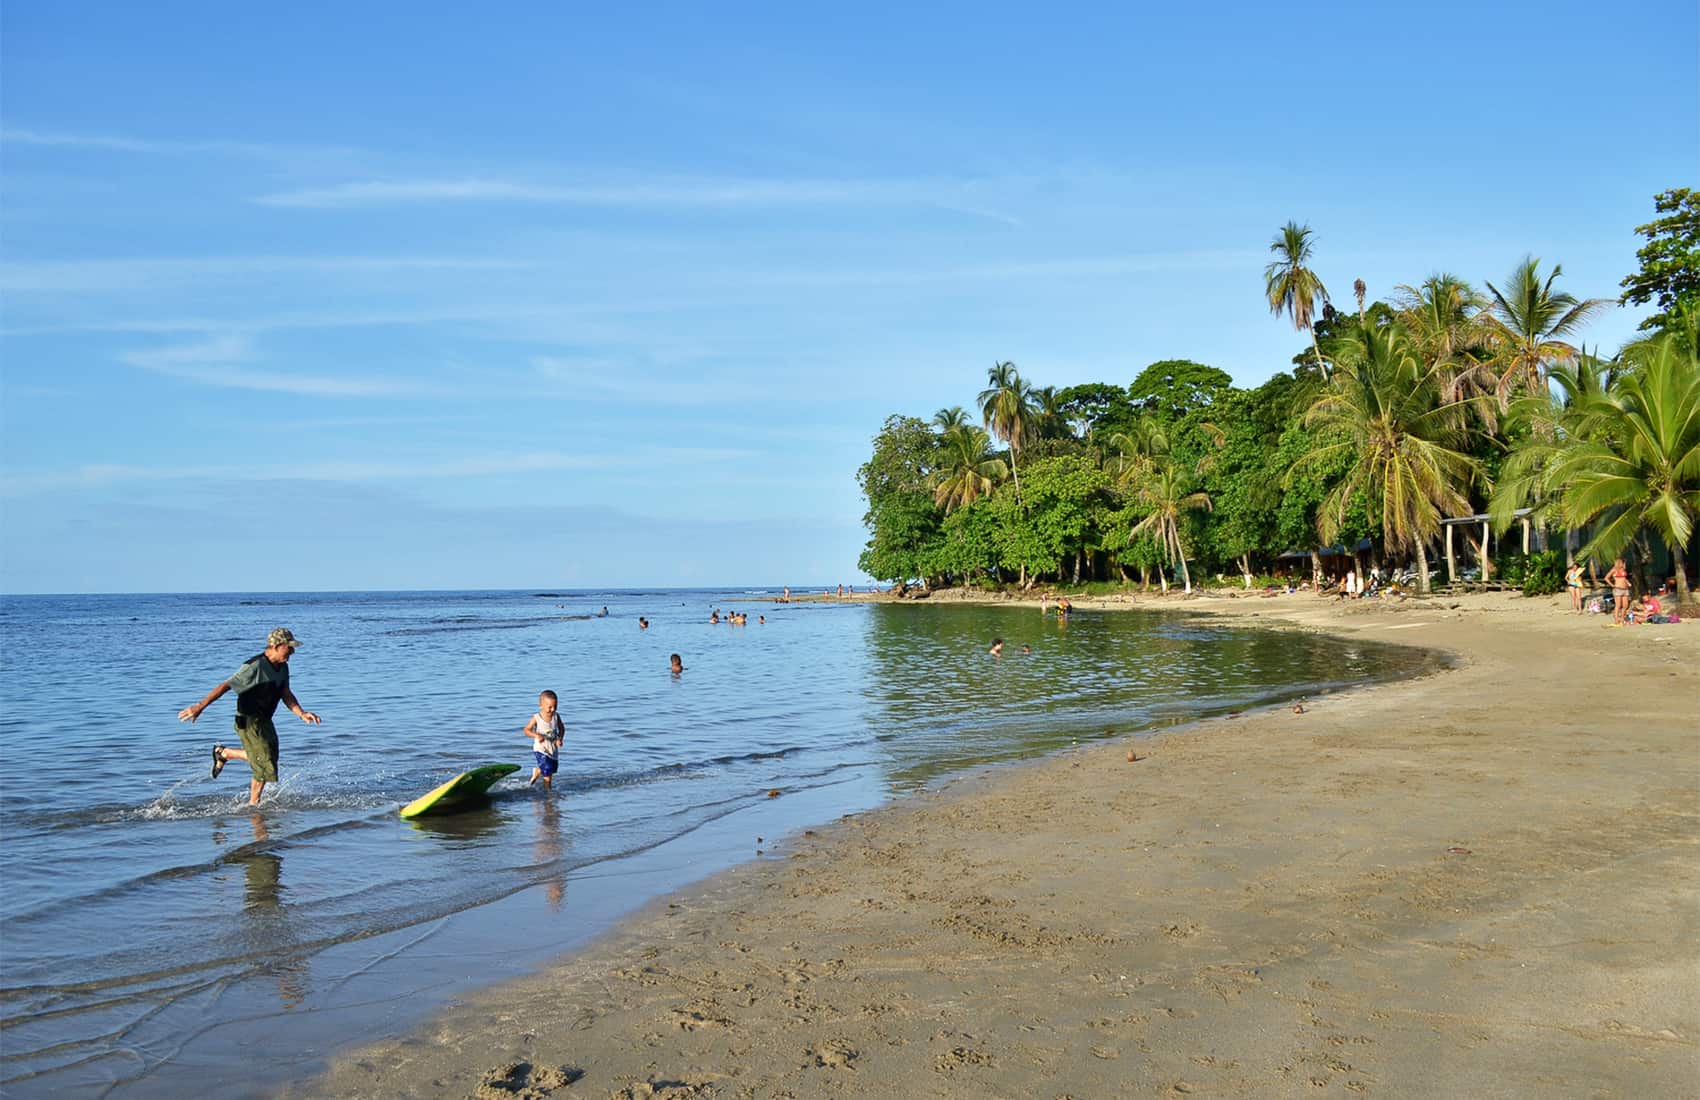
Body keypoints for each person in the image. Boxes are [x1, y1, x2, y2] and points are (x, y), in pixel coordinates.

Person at [179, 627, 320, 806]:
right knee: (263, 762)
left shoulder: (283, 667)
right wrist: (199, 706)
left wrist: (302, 713)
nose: (292, 651)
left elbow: (285, 693)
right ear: (276, 646)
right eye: (289, 647)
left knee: (269, 758)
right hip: (248, 720)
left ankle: (224, 753)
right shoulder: (255, 666)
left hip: (265, 720)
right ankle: (254, 806)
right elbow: (226, 685)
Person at [524, 689, 564, 790]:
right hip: (541, 749)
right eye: (549, 707)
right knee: (547, 775)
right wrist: (536, 735)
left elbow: (562, 728)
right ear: (540, 705)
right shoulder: (537, 718)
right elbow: (526, 730)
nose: (553, 709)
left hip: (552, 749)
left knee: (551, 770)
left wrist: (560, 738)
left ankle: (538, 771)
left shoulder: (556, 716)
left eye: (555, 706)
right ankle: (548, 794)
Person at [1605, 557, 1631, 625]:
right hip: (1618, 589)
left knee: (1625, 605)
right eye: (1623, 562)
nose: (1624, 564)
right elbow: (1606, 578)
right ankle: (1616, 619)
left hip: (1625, 589)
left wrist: (1628, 583)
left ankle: (1622, 619)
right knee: (1618, 605)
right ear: (1620, 563)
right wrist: (1612, 585)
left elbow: (1624, 578)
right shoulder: (1614, 570)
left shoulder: (1624, 569)